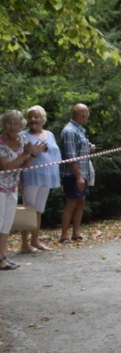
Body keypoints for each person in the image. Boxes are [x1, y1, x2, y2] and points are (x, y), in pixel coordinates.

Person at [0, 110, 40, 269]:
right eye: (9, 123)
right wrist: (26, 153)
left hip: (12, 186)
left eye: (16, 124)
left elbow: (25, 165)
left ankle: (3, 255)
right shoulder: (1, 142)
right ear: (4, 124)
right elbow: (7, 166)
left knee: (7, 223)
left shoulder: (23, 139)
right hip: (0, 187)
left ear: (21, 125)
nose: (12, 127)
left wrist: (33, 155)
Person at [19, 105, 61, 253]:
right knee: (29, 210)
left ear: (43, 119)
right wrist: (33, 153)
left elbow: (54, 154)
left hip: (46, 177)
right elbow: (20, 160)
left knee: (39, 210)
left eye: (36, 117)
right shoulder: (23, 136)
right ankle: (24, 244)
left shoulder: (50, 134)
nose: (33, 119)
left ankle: (35, 240)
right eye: (30, 117)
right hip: (30, 177)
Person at [59, 103, 93, 244]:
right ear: (82, 115)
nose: (88, 117)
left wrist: (89, 147)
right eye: (87, 114)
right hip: (73, 174)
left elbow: (79, 149)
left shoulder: (80, 130)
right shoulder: (70, 131)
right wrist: (78, 176)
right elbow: (71, 156)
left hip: (83, 172)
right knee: (72, 203)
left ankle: (76, 233)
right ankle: (64, 235)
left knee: (81, 201)